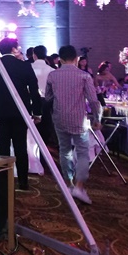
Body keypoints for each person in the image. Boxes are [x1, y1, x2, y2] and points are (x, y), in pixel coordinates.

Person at [0, 38, 41, 190]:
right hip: (20, 112)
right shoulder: (24, 66)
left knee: (2, 148)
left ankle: (3, 181)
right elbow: (34, 90)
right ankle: (23, 181)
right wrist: (37, 112)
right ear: (13, 49)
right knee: (21, 147)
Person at [45, 45, 102, 204]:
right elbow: (93, 100)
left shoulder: (52, 75)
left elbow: (48, 97)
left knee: (65, 150)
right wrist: (97, 118)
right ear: (76, 59)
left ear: (60, 59)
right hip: (79, 120)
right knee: (83, 152)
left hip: (59, 118)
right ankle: (79, 186)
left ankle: (69, 184)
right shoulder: (84, 76)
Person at [31, 45, 55, 144]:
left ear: (34, 55)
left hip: (31, 100)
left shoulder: (28, 67)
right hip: (47, 101)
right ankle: (45, 147)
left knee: (32, 127)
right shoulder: (51, 70)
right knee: (46, 127)